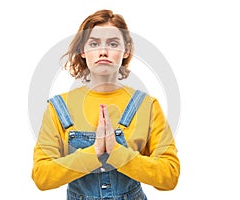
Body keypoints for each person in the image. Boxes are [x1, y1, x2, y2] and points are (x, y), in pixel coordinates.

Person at [32, 9, 180, 200]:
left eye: (113, 43)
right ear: (82, 51)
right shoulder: (59, 107)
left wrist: (116, 152)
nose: (103, 51)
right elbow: (42, 177)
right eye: (94, 43)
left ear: (125, 51)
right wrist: (93, 153)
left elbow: (169, 176)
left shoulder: (147, 106)